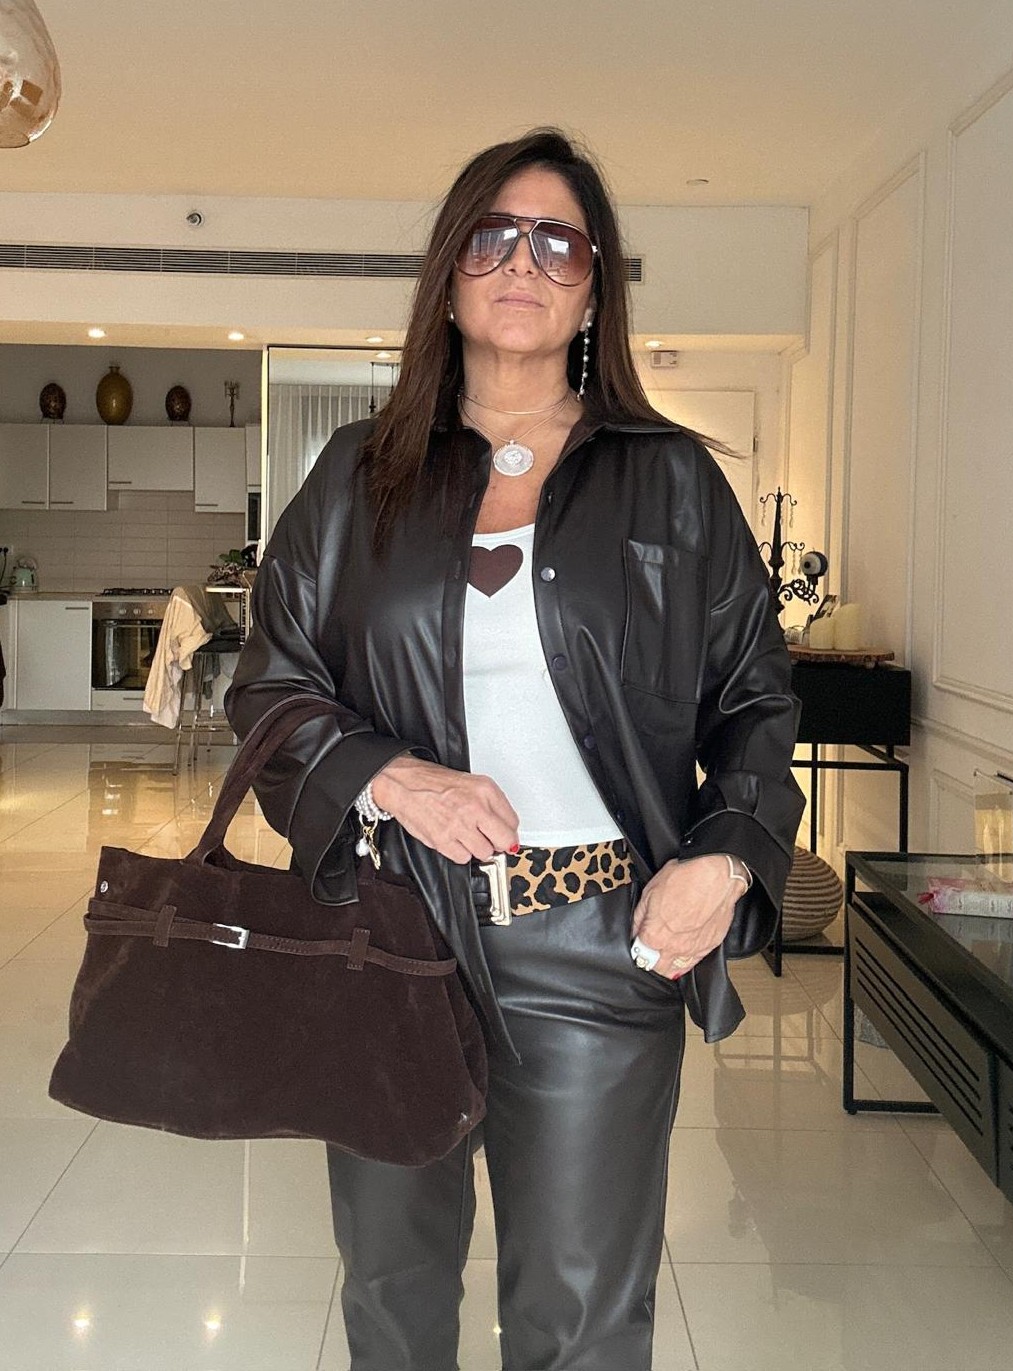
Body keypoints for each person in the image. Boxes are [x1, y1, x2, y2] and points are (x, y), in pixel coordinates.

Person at [224, 127, 804, 1371]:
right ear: (447, 276)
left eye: (557, 242)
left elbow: (756, 699)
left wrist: (723, 861)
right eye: (490, 236)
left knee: (579, 1322)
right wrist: (387, 775)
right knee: (391, 1301)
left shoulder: (670, 482)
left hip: (596, 943)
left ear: (593, 290)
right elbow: (268, 684)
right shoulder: (355, 477)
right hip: (390, 935)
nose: (521, 262)